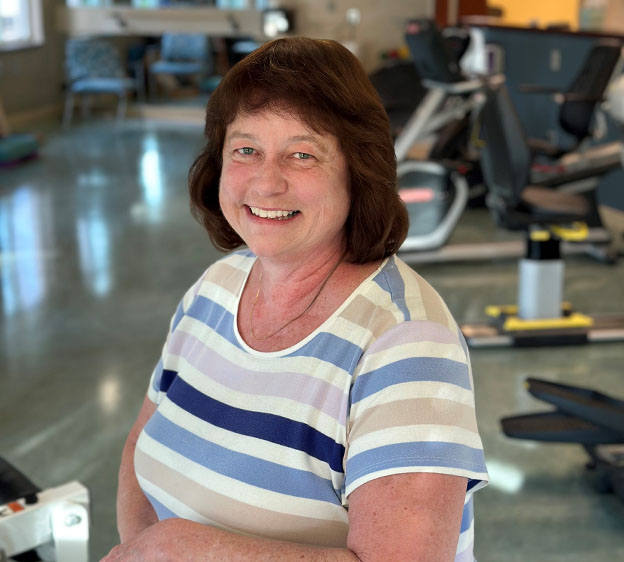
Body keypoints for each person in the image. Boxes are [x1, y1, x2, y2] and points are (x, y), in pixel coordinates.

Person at [103, 37, 488, 562]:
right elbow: (138, 449)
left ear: (357, 171)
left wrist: (184, 549)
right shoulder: (216, 286)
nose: (265, 182)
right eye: (245, 150)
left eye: (301, 155)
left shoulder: (408, 345)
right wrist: (139, 549)